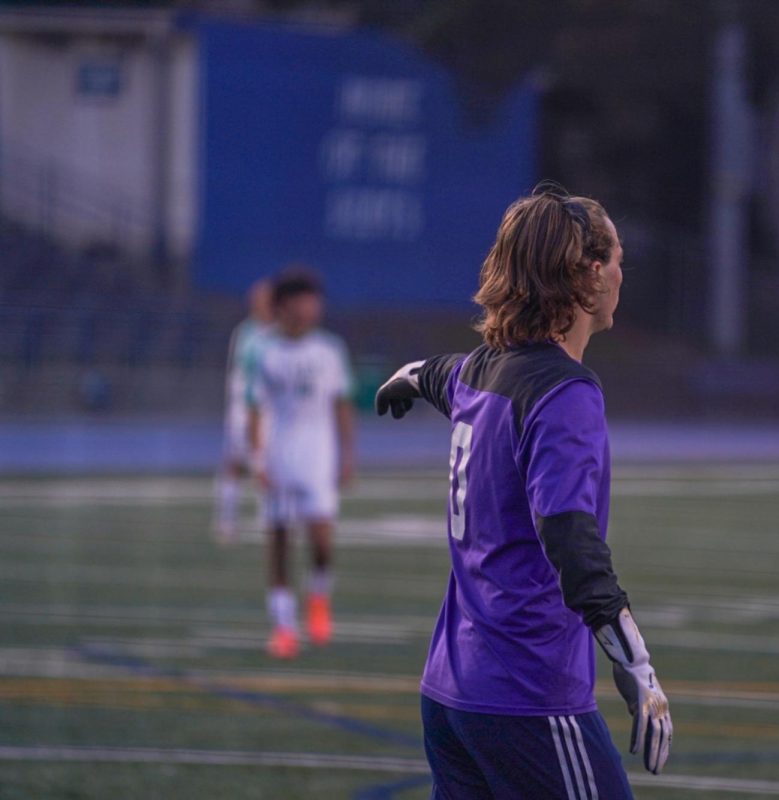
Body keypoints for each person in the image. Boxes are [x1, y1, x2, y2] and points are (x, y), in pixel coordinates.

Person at [375, 184, 672, 798]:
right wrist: (635, 661)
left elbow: (429, 374)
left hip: (451, 697)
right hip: (527, 697)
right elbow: (568, 535)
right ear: (588, 273)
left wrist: (400, 381)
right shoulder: (565, 394)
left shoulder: (481, 370)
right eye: (616, 258)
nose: (622, 272)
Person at [246, 267, 355, 659]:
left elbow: (342, 404)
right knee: (278, 541)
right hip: (279, 455)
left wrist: (347, 455)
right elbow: (255, 408)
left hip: (318, 456)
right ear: (285, 305)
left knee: (321, 541)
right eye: (305, 299)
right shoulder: (263, 351)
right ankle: (284, 626)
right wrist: (257, 458)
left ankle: (319, 598)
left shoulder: (329, 350)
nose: (313, 307)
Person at [213, 278, 274, 543]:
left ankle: (268, 518)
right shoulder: (246, 334)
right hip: (243, 408)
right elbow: (245, 374)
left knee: (267, 461)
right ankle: (226, 519)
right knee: (234, 463)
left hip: (270, 409)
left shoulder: (279, 332)